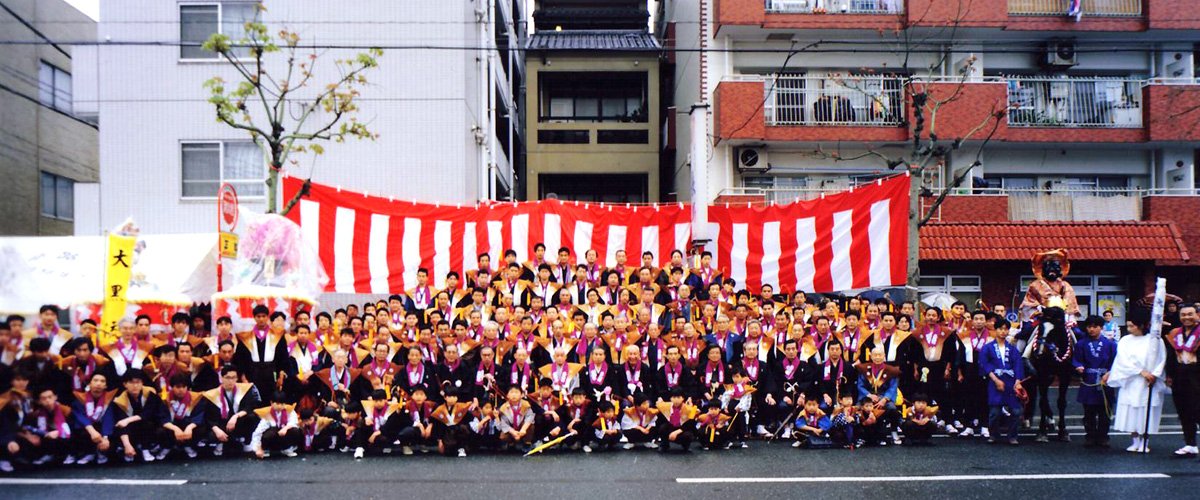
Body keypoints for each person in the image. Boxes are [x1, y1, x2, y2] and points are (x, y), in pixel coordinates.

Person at [1106, 311, 1166, 453]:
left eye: (1132, 326)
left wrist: (1154, 375)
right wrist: (1140, 371)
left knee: (1146, 411)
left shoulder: (1156, 340)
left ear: (1142, 326)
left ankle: (1145, 441)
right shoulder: (1125, 341)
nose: (1129, 329)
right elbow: (1122, 360)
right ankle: (1135, 441)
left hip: (1148, 382)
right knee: (1131, 411)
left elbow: (1161, 359)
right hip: (1131, 381)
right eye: (1128, 326)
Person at [1072, 315, 1117, 448]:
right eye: (1089, 327)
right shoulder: (1081, 344)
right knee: (1089, 411)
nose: (1091, 329)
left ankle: (1103, 436)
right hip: (1089, 380)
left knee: (1105, 411)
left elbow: (1115, 362)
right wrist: (1078, 366)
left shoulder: (1111, 344)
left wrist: (1110, 373)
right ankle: (1090, 436)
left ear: (1101, 328)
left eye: (1095, 327)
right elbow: (1076, 359)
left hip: (1105, 380)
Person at [980, 318, 1025, 445]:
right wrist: (995, 380)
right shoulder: (988, 348)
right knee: (995, 412)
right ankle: (994, 434)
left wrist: (1018, 381)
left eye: (1006, 329)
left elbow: (1018, 365)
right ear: (995, 330)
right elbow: (984, 364)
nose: (1003, 331)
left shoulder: (1013, 349)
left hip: (1011, 382)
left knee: (1016, 411)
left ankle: (1012, 436)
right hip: (995, 382)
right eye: (1000, 329)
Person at [1164, 304, 1200, 457]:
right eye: (1183, 315)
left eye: (1190, 314)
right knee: (1184, 411)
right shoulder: (1175, 333)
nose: (1186, 317)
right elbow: (1170, 357)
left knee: (1197, 411)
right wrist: (1169, 375)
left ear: (1197, 315)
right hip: (1180, 377)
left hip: (1197, 376)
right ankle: (1190, 444)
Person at [202, 365, 261, 457]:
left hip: (237, 423)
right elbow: (209, 417)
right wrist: (217, 431)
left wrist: (235, 416)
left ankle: (246, 441)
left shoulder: (244, 390)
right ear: (221, 378)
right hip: (222, 425)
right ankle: (220, 443)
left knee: (252, 417)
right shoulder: (213, 394)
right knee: (212, 434)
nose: (231, 381)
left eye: (234, 378)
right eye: (228, 378)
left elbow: (249, 407)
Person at [105, 369, 163, 462]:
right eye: (131, 382)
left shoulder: (150, 393)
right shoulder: (119, 400)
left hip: (148, 426)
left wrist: (128, 420)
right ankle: (128, 448)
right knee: (120, 426)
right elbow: (121, 423)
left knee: (148, 423)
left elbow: (148, 413)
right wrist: (127, 445)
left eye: (138, 382)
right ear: (125, 384)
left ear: (142, 383)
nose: (135, 386)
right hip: (130, 430)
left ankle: (145, 448)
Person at [161, 373, 205, 459]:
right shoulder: (165, 398)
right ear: (172, 387)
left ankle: (188, 445)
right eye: (178, 387)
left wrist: (189, 427)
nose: (181, 390)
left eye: (184, 387)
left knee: (201, 428)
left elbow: (199, 415)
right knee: (160, 430)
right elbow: (162, 417)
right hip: (171, 425)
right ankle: (167, 446)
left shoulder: (196, 397)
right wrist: (175, 429)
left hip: (188, 424)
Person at [250, 391, 302, 458]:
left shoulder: (290, 411)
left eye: (282, 404)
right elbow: (258, 432)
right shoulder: (267, 413)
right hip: (273, 437)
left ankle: (287, 448)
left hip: (285, 436)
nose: (280, 406)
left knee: (295, 430)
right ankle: (265, 449)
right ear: (271, 403)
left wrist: (285, 428)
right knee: (269, 433)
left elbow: (294, 422)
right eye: (277, 403)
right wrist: (258, 448)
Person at [432, 387, 472, 457]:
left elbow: (468, 420)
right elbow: (437, 426)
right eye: (450, 396)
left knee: (463, 428)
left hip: (459, 430)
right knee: (449, 451)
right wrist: (439, 440)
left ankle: (462, 448)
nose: (453, 398)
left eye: (455, 396)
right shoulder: (440, 409)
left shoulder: (462, 407)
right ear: (445, 397)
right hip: (447, 432)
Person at [655, 388, 697, 452]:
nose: (676, 400)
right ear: (670, 398)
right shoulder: (665, 407)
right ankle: (664, 445)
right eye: (674, 397)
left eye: (678, 397)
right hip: (670, 427)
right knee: (662, 428)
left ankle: (686, 445)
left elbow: (691, 424)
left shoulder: (689, 409)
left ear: (683, 398)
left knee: (688, 434)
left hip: (682, 429)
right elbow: (660, 420)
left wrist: (676, 432)